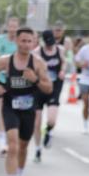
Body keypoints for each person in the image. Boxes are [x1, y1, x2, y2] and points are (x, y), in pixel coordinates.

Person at [0, 26, 53, 176]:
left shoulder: (38, 63)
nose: (26, 44)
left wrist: (35, 80)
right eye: (23, 41)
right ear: (16, 41)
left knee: (24, 147)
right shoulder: (6, 61)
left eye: (29, 41)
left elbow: (48, 88)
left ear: (34, 43)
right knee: (12, 145)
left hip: (29, 109)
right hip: (10, 106)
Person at [32, 30, 66, 161]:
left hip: (54, 88)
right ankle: (37, 149)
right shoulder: (37, 52)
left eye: (52, 43)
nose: (50, 46)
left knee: (52, 119)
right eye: (48, 44)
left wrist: (62, 70)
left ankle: (48, 131)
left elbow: (64, 62)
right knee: (36, 122)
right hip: (39, 90)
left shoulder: (60, 50)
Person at [0, 16, 19, 155]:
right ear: (7, 27)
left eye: (15, 27)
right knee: (3, 109)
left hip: (15, 82)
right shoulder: (0, 40)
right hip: (1, 79)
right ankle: (3, 142)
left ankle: (11, 138)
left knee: (13, 111)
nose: (13, 29)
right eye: (11, 26)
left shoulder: (19, 42)